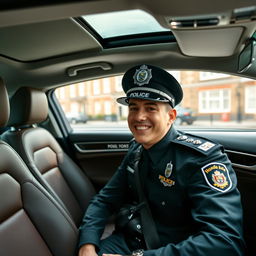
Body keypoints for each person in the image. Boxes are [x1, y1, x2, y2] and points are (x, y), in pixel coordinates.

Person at [78, 64, 245, 256]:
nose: (139, 117)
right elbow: (105, 200)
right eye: (134, 108)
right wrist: (87, 243)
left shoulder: (202, 160)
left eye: (151, 108)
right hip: (128, 240)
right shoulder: (136, 151)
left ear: (171, 116)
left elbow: (224, 241)